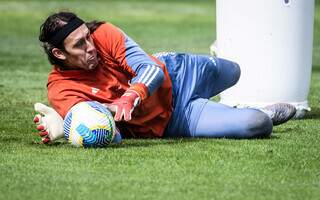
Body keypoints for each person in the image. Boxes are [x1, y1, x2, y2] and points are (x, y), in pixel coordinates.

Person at [33, 11, 296, 144]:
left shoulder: (103, 33)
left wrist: (130, 96)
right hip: (174, 119)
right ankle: (238, 112)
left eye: (87, 37)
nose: (91, 47)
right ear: (59, 53)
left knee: (234, 70)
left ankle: (180, 61)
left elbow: (152, 71)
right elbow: (106, 132)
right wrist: (67, 124)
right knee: (257, 124)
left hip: (177, 71)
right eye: (80, 45)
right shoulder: (61, 89)